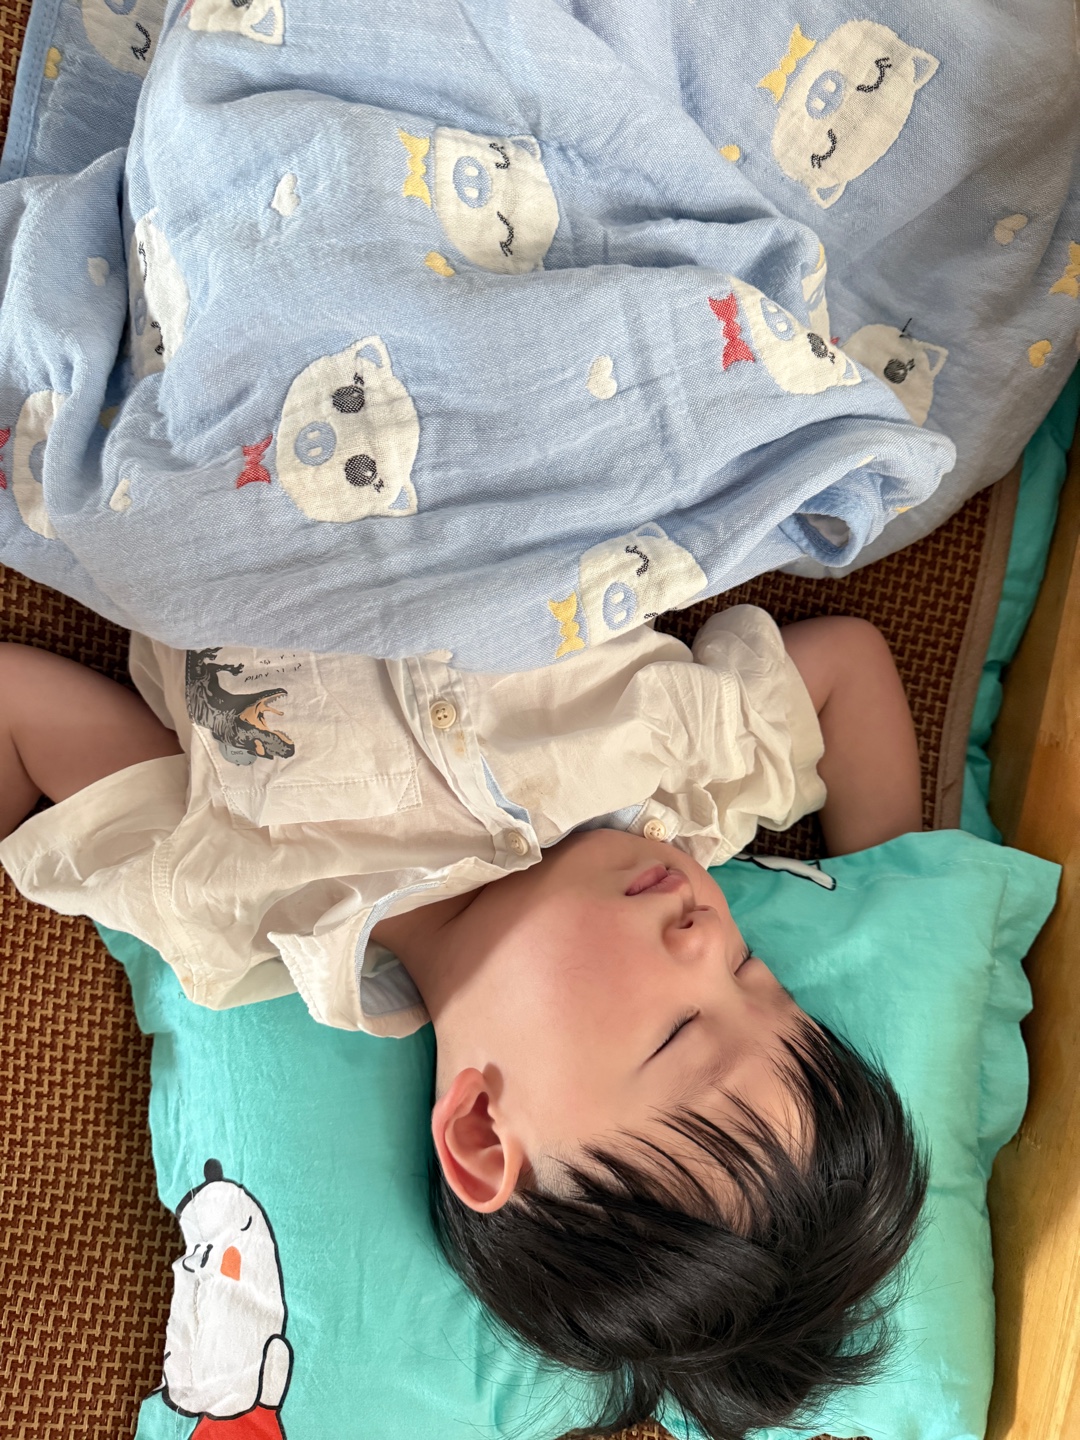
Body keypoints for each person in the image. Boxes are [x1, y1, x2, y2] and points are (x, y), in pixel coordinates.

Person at [0, 605, 927, 1439]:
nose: (707, 933)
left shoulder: (248, 899)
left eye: (679, 1030)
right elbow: (847, 663)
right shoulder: (689, 781)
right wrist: (906, 906)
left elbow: (19, 711)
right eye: (751, 970)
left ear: (481, 1130)